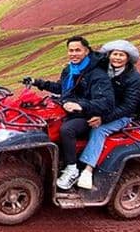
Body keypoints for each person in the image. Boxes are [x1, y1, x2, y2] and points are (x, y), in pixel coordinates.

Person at [27, 36, 114, 190]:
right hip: (68, 108)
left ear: (86, 51)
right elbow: (62, 88)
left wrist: (79, 105)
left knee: (67, 129)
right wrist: (37, 82)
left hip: (88, 114)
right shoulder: (70, 70)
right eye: (71, 50)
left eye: (77, 50)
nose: (73, 54)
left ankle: (72, 169)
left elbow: (105, 102)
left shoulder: (97, 75)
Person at [76, 40, 140, 190]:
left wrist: (103, 119)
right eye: (115, 54)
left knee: (99, 130)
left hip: (122, 114)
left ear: (128, 58)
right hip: (100, 107)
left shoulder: (135, 79)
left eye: (121, 55)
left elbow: (128, 106)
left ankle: (88, 170)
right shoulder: (103, 69)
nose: (117, 58)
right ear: (109, 55)